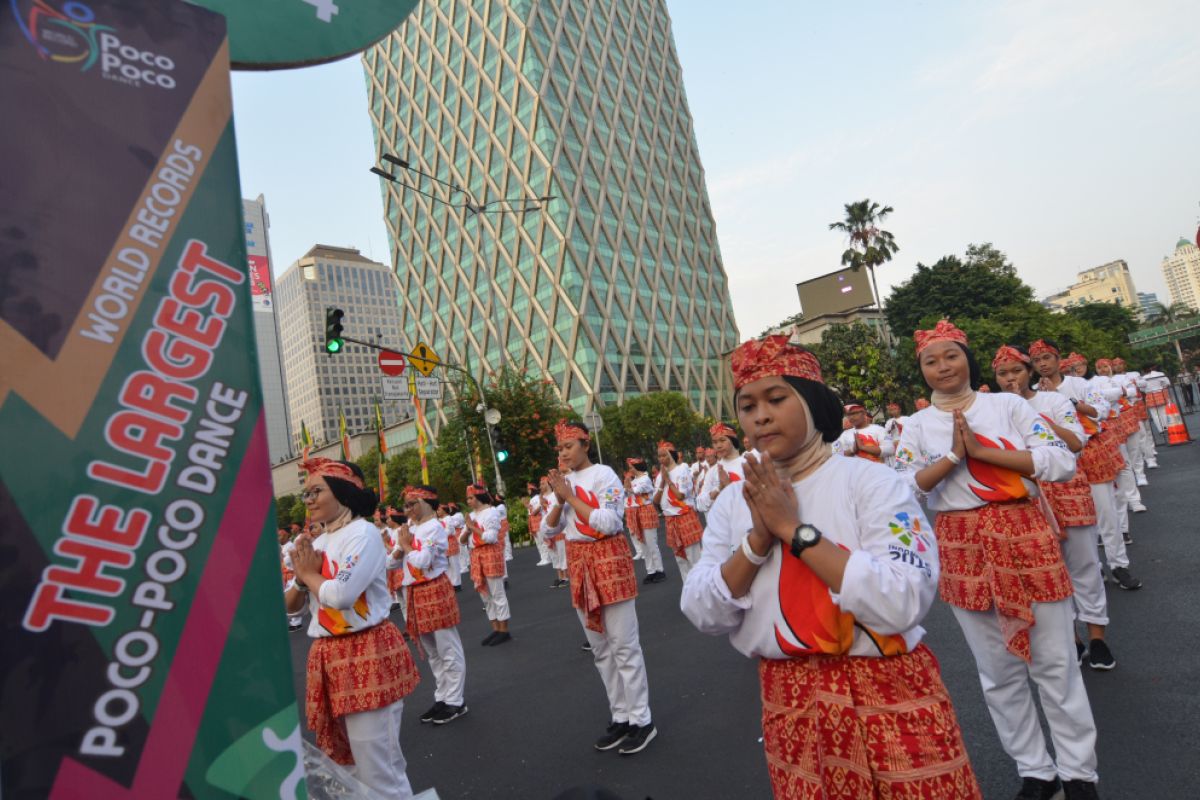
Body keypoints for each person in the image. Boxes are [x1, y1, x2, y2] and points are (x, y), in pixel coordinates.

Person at [682, 335, 980, 799]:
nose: (760, 415)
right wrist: (758, 539)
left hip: (889, 691)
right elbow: (703, 611)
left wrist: (794, 531)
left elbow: (903, 600)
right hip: (788, 702)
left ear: (812, 403)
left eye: (777, 399)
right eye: (747, 405)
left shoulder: (871, 481)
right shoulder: (731, 505)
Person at [894, 321, 1101, 800]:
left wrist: (984, 453)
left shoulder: (1006, 405)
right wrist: (951, 458)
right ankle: (1036, 770)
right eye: (930, 360)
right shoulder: (916, 426)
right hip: (962, 544)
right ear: (921, 370)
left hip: (1024, 532)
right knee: (998, 672)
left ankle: (1078, 773)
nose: (942, 367)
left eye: (951, 356)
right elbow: (901, 489)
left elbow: (1061, 461)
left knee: (1054, 662)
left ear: (968, 358)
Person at [284, 458, 419, 799]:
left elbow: (341, 595)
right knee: (347, 767)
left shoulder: (364, 533)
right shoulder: (320, 541)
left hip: (364, 650)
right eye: (306, 493)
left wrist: (310, 575)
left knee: (379, 769)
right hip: (330, 656)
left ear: (343, 492)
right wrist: (304, 580)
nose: (309, 500)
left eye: (317, 491)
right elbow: (292, 605)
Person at [995, 345, 1116, 671]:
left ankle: (1098, 638)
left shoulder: (1054, 400)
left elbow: (1076, 442)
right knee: (1047, 575)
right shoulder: (995, 411)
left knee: (1085, 565)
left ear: (1029, 372)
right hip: (1027, 499)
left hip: (1066, 489)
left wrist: (1035, 418)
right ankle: (1072, 640)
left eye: (1016, 371)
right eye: (1002, 374)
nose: (1010, 378)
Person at [542, 420, 656, 755]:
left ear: (585, 444)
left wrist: (569, 497)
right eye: (560, 448)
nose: (563, 453)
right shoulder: (565, 484)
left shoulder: (604, 475)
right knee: (601, 649)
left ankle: (642, 719)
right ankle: (620, 716)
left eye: (569, 446)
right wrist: (560, 500)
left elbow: (609, 523)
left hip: (607, 558)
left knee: (623, 645)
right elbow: (549, 534)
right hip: (578, 563)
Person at [390, 485, 468, 725]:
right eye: (406, 505)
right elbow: (392, 563)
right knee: (432, 652)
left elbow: (423, 561)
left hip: (434, 589)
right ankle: (442, 696)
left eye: (412, 503)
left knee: (447, 648)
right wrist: (398, 550)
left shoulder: (435, 527)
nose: (408, 509)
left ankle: (456, 700)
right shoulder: (410, 529)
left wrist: (405, 547)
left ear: (428, 502)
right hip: (415, 592)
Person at [462, 484, 512, 645]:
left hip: (490, 552)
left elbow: (491, 537)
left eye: (471, 498)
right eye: (467, 498)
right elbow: (462, 540)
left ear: (479, 497)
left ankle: (504, 630)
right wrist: (468, 530)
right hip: (476, 554)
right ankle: (495, 628)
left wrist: (472, 528)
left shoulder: (491, 512)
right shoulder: (471, 515)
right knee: (485, 595)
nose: (468, 501)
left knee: (497, 593)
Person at [653, 440, 703, 580]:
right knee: (681, 560)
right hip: (671, 520)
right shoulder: (660, 476)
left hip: (685, 516)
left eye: (664, 455)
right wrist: (662, 481)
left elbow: (681, 495)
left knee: (694, 557)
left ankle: (701, 590)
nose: (661, 459)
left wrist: (668, 480)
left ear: (672, 454)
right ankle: (689, 592)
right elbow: (655, 501)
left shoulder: (683, 469)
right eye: (659, 456)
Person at [626, 457, 666, 583]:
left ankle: (659, 570)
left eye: (631, 467)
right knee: (642, 544)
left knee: (651, 543)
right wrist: (627, 487)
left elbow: (638, 491)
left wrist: (628, 487)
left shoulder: (645, 478)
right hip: (636, 511)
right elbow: (628, 495)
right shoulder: (634, 480)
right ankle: (651, 571)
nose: (630, 469)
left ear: (637, 467)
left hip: (646, 510)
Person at [695, 422, 746, 515]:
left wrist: (729, 485)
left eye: (722, 440)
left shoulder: (747, 464)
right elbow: (700, 504)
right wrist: (719, 488)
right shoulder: (713, 471)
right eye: (714, 442)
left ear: (733, 440)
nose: (718, 446)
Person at [541, 476, 570, 588]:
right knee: (554, 555)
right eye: (540, 484)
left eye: (543, 483)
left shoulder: (555, 495)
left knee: (561, 553)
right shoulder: (542, 498)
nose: (541, 486)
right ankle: (559, 577)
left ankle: (565, 577)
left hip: (558, 528)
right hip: (548, 529)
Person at [279, 528, 305, 632]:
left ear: (287, 535)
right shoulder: (281, 546)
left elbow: (287, 561)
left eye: (281, 535)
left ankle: (296, 622)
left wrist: (280, 555)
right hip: (284, 575)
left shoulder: (290, 546)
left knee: (293, 596)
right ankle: (291, 620)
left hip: (291, 574)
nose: (279, 537)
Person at [436, 504, 464, 592]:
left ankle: (457, 584)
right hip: (443, 543)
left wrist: (440, 535)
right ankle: (451, 583)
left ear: (444, 510)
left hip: (450, 542)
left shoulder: (449, 518)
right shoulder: (439, 520)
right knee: (447, 564)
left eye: (439, 510)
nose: (437, 512)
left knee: (454, 564)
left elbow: (450, 530)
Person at [528, 482, 551, 567]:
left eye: (529, 490)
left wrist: (533, 512)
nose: (528, 491)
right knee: (538, 542)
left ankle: (547, 558)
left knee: (542, 541)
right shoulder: (532, 499)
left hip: (539, 520)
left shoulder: (537, 497)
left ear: (532, 490)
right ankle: (543, 557)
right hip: (534, 522)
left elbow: (540, 507)